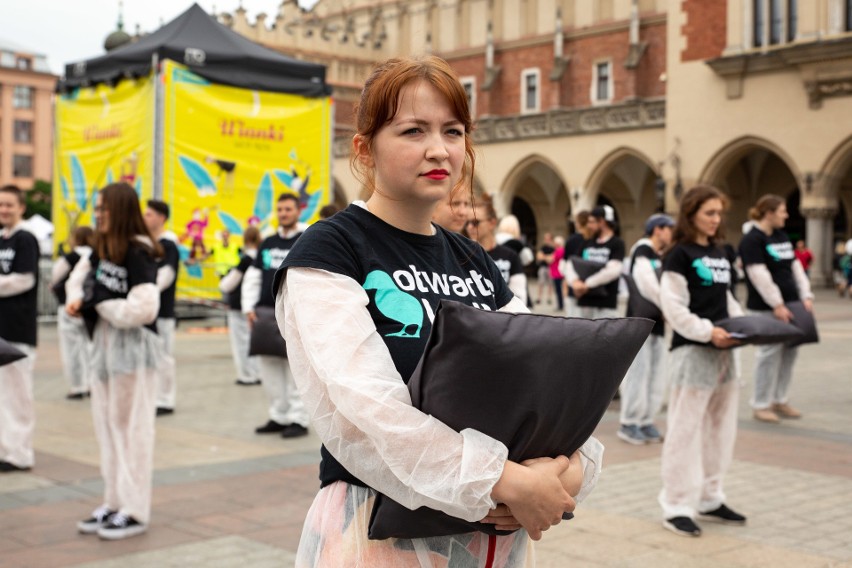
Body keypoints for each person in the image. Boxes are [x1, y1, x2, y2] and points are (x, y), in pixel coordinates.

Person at [274, 56, 602, 567]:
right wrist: (507, 480)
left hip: (490, 534)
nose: (439, 149)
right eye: (412, 130)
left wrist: (568, 469)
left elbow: (545, 380)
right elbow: (365, 418)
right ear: (365, 149)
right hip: (379, 534)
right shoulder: (331, 252)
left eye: (453, 131)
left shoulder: (472, 259)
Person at [65, 182, 162, 539]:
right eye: (97, 207)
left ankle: (135, 510)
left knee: (132, 430)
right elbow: (76, 282)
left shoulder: (139, 252)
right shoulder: (100, 249)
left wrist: (99, 303)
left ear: (120, 210)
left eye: (104, 208)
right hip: (102, 352)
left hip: (133, 354)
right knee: (107, 429)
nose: (98, 214)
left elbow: (144, 308)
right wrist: (81, 301)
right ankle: (114, 500)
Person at [658, 184, 746, 538]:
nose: (716, 219)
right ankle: (676, 504)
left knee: (721, 429)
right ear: (691, 213)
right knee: (685, 429)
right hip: (694, 351)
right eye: (709, 212)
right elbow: (674, 307)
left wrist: (742, 327)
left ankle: (711, 497)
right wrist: (708, 332)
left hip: (726, 353)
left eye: (719, 213)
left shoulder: (723, 251)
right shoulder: (679, 254)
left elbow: (728, 300)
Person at [739, 195, 814, 423]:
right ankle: (760, 404)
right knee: (768, 354)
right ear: (768, 213)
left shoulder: (781, 236)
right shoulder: (752, 240)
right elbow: (758, 275)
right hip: (766, 308)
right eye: (782, 211)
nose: (786, 215)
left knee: (790, 352)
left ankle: (779, 399)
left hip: (792, 305)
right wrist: (777, 304)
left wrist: (805, 295)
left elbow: (795, 268)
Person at [242, 193, 310, 438]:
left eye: (288, 209)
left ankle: (298, 419)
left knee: (296, 370)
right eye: (280, 209)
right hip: (266, 314)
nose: (283, 213)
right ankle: (278, 416)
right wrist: (248, 308)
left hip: (295, 316)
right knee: (269, 368)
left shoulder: (307, 239)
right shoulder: (268, 242)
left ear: (297, 211)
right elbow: (254, 275)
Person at [618, 214, 674, 445]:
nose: (671, 233)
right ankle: (629, 422)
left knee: (655, 373)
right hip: (641, 321)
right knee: (638, 374)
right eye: (669, 229)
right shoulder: (643, 250)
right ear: (657, 230)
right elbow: (647, 284)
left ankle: (646, 420)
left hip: (658, 323)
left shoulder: (661, 255)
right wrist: (668, 306)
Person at [0, 185, 40, 472]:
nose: (4, 210)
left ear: (21, 207)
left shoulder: (26, 239)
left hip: (18, 328)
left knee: (18, 393)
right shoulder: (2, 239)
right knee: (4, 395)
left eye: (9, 205)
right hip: (2, 327)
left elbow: (24, 279)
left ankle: (20, 453)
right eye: (1, 205)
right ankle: (6, 448)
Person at [143, 200, 180, 416]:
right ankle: (152, 396)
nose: (145, 218)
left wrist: (147, 292)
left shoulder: (168, 245)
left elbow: (166, 274)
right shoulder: (145, 243)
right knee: (149, 356)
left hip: (162, 309)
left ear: (161, 218)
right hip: (145, 310)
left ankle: (165, 399)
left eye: (149, 214)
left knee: (163, 355)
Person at [50, 225, 96, 400]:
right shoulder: (96, 255)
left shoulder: (71, 257)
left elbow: (56, 274)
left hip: (68, 305)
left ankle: (78, 385)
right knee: (91, 345)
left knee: (72, 348)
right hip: (89, 306)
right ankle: (93, 382)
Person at [565, 205, 625, 319]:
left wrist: (587, 285)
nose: (588, 225)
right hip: (584, 303)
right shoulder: (587, 242)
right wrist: (575, 282)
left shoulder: (616, 243)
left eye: (592, 222)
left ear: (602, 222)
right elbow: (571, 263)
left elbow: (613, 271)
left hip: (605, 305)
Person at [219, 226, 262, 386]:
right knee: (255, 340)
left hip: (238, 306)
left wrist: (223, 281)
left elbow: (227, 285)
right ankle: (257, 373)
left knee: (241, 343)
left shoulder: (245, 260)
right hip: (256, 304)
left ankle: (246, 375)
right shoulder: (261, 258)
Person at [466, 195, 528, 303]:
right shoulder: (462, 255)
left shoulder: (510, 256)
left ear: (492, 223)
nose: (470, 227)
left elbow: (519, 296)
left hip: (502, 316)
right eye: (467, 223)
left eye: (475, 222)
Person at [562, 210, 590, 316]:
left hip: (572, 284)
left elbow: (564, 266)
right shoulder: (593, 240)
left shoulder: (571, 240)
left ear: (578, 223)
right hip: (589, 286)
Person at [535, 232, 555, 305]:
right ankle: (539, 298)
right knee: (541, 283)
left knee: (550, 284)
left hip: (551, 268)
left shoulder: (553, 248)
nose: (547, 240)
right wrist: (547, 257)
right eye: (545, 239)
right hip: (543, 267)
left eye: (548, 239)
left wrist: (544, 257)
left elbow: (552, 259)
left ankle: (549, 298)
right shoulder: (542, 248)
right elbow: (539, 257)